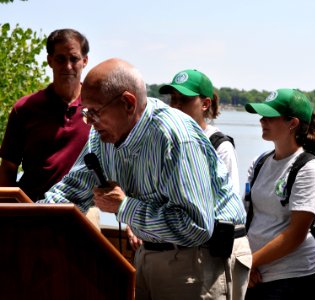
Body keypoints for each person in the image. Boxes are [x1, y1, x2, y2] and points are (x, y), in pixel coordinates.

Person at [38, 58, 252, 300]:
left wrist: (124, 206)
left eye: (95, 113)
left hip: (200, 259)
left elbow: (196, 226)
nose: (90, 123)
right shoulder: (101, 136)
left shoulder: (174, 136)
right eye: (85, 113)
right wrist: (29, 220)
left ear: (128, 103)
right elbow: (72, 190)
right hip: (150, 254)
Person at [243, 88, 315, 300]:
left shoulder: (309, 168)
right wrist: (249, 264)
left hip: (291, 281)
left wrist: (249, 263)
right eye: (261, 116)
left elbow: (295, 235)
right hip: (256, 276)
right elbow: (250, 218)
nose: (262, 120)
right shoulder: (260, 162)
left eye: (270, 117)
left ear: (292, 123)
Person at [0, 28, 90, 202]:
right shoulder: (25, 108)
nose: (68, 66)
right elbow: (8, 168)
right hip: (32, 210)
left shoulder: (99, 106)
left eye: (74, 59)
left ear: (85, 61)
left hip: (83, 212)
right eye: (60, 59)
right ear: (50, 60)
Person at [159, 69, 240, 195]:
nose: (176, 105)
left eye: (184, 99)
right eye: (173, 99)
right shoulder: (165, 140)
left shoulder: (220, 146)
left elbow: (231, 201)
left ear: (205, 104)